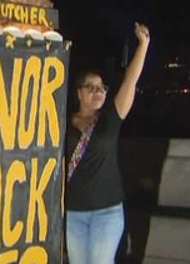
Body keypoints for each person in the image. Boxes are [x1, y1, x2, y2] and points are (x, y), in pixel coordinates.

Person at [65, 22, 151, 264]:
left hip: (107, 212)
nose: (98, 91)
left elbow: (129, 82)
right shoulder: (63, 124)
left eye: (101, 87)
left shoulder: (110, 119)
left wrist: (143, 45)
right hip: (73, 214)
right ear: (78, 93)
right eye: (90, 88)